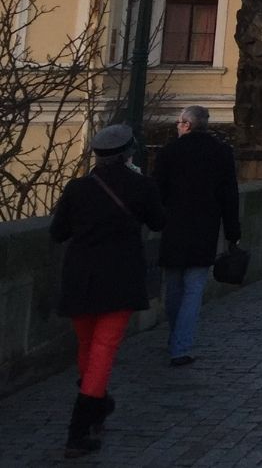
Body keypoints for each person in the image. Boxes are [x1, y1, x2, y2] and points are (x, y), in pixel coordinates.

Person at [50, 123, 165, 459]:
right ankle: (78, 428)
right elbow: (159, 223)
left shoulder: (77, 188)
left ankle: (97, 407)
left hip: (80, 278)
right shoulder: (141, 186)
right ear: (128, 152)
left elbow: (58, 232)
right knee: (103, 350)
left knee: (88, 346)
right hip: (119, 279)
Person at [152, 105, 242, 367]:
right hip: (204, 229)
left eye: (179, 122)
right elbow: (229, 196)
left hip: (174, 227)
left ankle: (174, 338)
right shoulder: (221, 152)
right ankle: (181, 347)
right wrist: (233, 232)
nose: (177, 126)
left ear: (188, 125)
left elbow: (157, 192)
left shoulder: (169, 152)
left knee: (174, 289)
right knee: (193, 290)